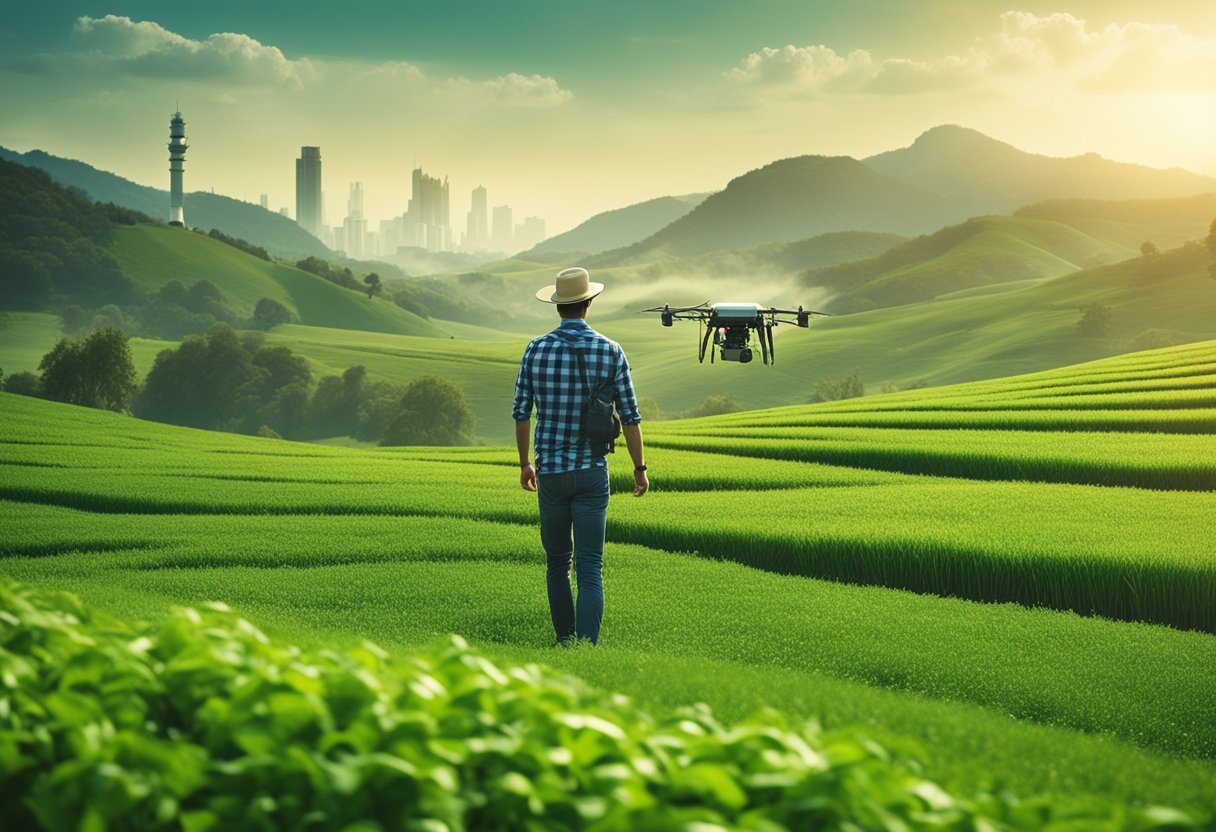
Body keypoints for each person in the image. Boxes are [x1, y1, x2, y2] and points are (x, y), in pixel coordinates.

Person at [512, 266, 648, 646]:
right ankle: (587, 646)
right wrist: (639, 469)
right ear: (589, 303)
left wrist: (526, 462)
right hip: (592, 472)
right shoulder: (611, 350)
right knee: (591, 566)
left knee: (557, 563)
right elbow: (632, 418)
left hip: (551, 474)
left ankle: (564, 639)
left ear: (558, 307)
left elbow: (522, 412)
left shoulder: (536, 349)